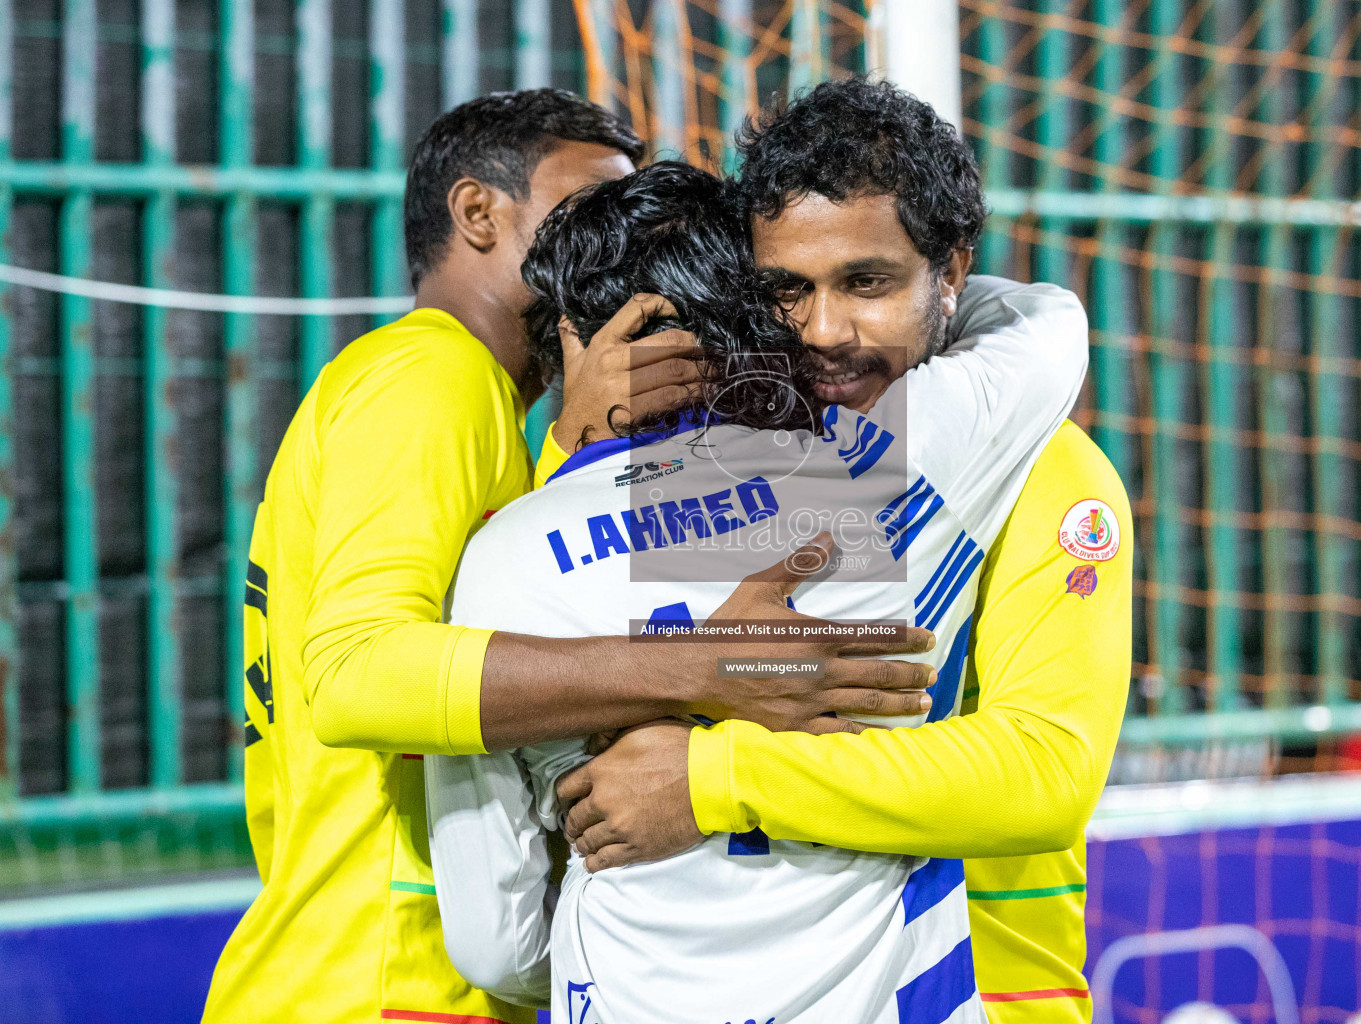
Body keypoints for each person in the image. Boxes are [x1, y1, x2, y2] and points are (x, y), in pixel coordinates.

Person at [203, 90, 937, 1024]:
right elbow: (355, 676)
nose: (610, 237)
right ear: (478, 214)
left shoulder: (487, 414)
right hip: (390, 985)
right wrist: (712, 668)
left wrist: (573, 459)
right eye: (586, 202)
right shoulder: (432, 380)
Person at [425, 160, 1085, 1022]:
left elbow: (496, 945)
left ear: (569, 341)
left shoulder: (498, 559)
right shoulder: (881, 466)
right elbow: (1048, 325)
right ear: (755, 313)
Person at [555, 78, 1133, 1022]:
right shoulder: (709, 456)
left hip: (976, 995)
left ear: (950, 273)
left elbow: (1043, 773)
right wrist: (573, 459)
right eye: (789, 289)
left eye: (867, 283)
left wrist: (715, 780)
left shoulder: (1054, 476)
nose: (825, 331)